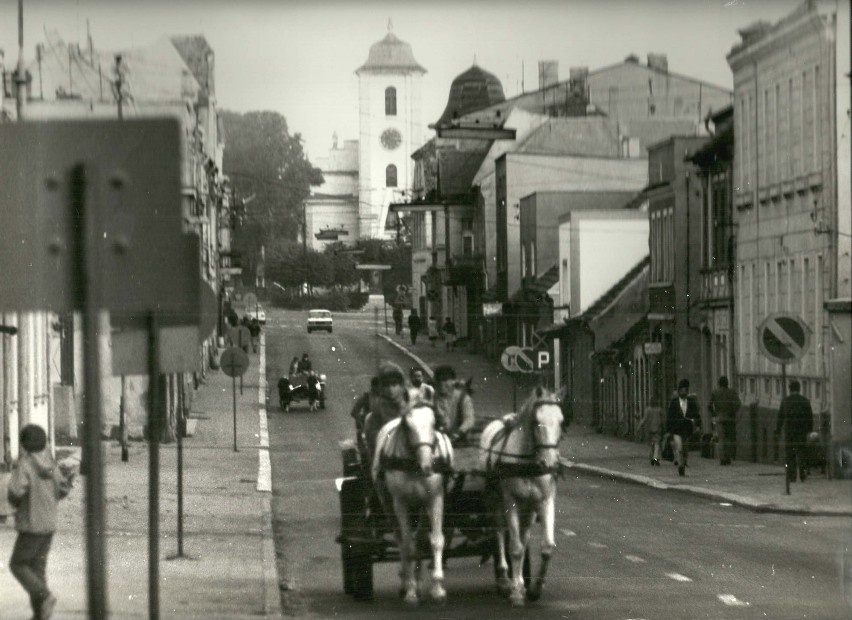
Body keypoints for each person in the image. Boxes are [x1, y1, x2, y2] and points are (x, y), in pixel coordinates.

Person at [7, 424, 74, 620]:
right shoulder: (51, 464)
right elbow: (62, 490)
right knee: (38, 569)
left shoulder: (25, 465)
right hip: (49, 525)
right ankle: (40, 615)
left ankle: (45, 597)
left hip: (31, 525)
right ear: (44, 442)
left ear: (24, 445)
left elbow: (16, 492)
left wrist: (13, 500)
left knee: (17, 565)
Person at [363, 362, 410, 459]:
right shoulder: (378, 411)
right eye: (386, 386)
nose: (390, 389)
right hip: (387, 456)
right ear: (382, 388)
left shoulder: (410, 408)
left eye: (394, 385)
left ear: (402, 386)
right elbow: (373, 438)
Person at [775, 380, 814, 483]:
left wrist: (778, 431)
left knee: (790, 454)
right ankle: (802, 474)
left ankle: (792, 476)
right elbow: (810, 417)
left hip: (789, 432)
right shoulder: (805, 401)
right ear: (799, 389)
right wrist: (809, 431)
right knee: (802, 453)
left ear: (790, 389)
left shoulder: (785, 401)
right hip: (802, 431)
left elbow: (780, 417)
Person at [433, 364, 475, 446]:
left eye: (445, 380)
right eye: (439, 380)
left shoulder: (463, 398)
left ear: (453, 381)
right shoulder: (432, 398)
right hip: (438, 442)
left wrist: (459, 432)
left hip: (459, 442)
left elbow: (469, 419)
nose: (442, 383)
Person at [666, 379, 701, 476]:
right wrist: (668, 430)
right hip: (676, 429)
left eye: (685, 391)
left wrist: (698, 425)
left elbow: (696, 415)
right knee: (679, 447)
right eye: (681, 391)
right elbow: (669, 416)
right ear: (679, 391)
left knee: (685, 448)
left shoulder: (691, 402)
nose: (683, 393)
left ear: (687, 392)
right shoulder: (674, 402)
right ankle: (680, 465)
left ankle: (683, 461)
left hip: (686, 429)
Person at [709, 376, 741, 466]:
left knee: (721, 439)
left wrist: (714, 413)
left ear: (719, 383)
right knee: (729, 439)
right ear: (727, 383)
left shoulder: (715, 392)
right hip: (730, 418)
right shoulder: (732, 392)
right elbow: (738, 404)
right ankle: (728, 457)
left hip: (720, 418)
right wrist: (733, 411)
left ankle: (722, 459)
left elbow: (709, 405)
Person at [638, 398, 664, 466]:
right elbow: (663, 420)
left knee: (651, 444)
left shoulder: (648, 409)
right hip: (658, 429)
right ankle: (655, 458)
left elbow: (644, 419)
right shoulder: (660, 410)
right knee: (657, 444)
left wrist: (639, 426)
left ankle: (652, 458)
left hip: (649, 429)